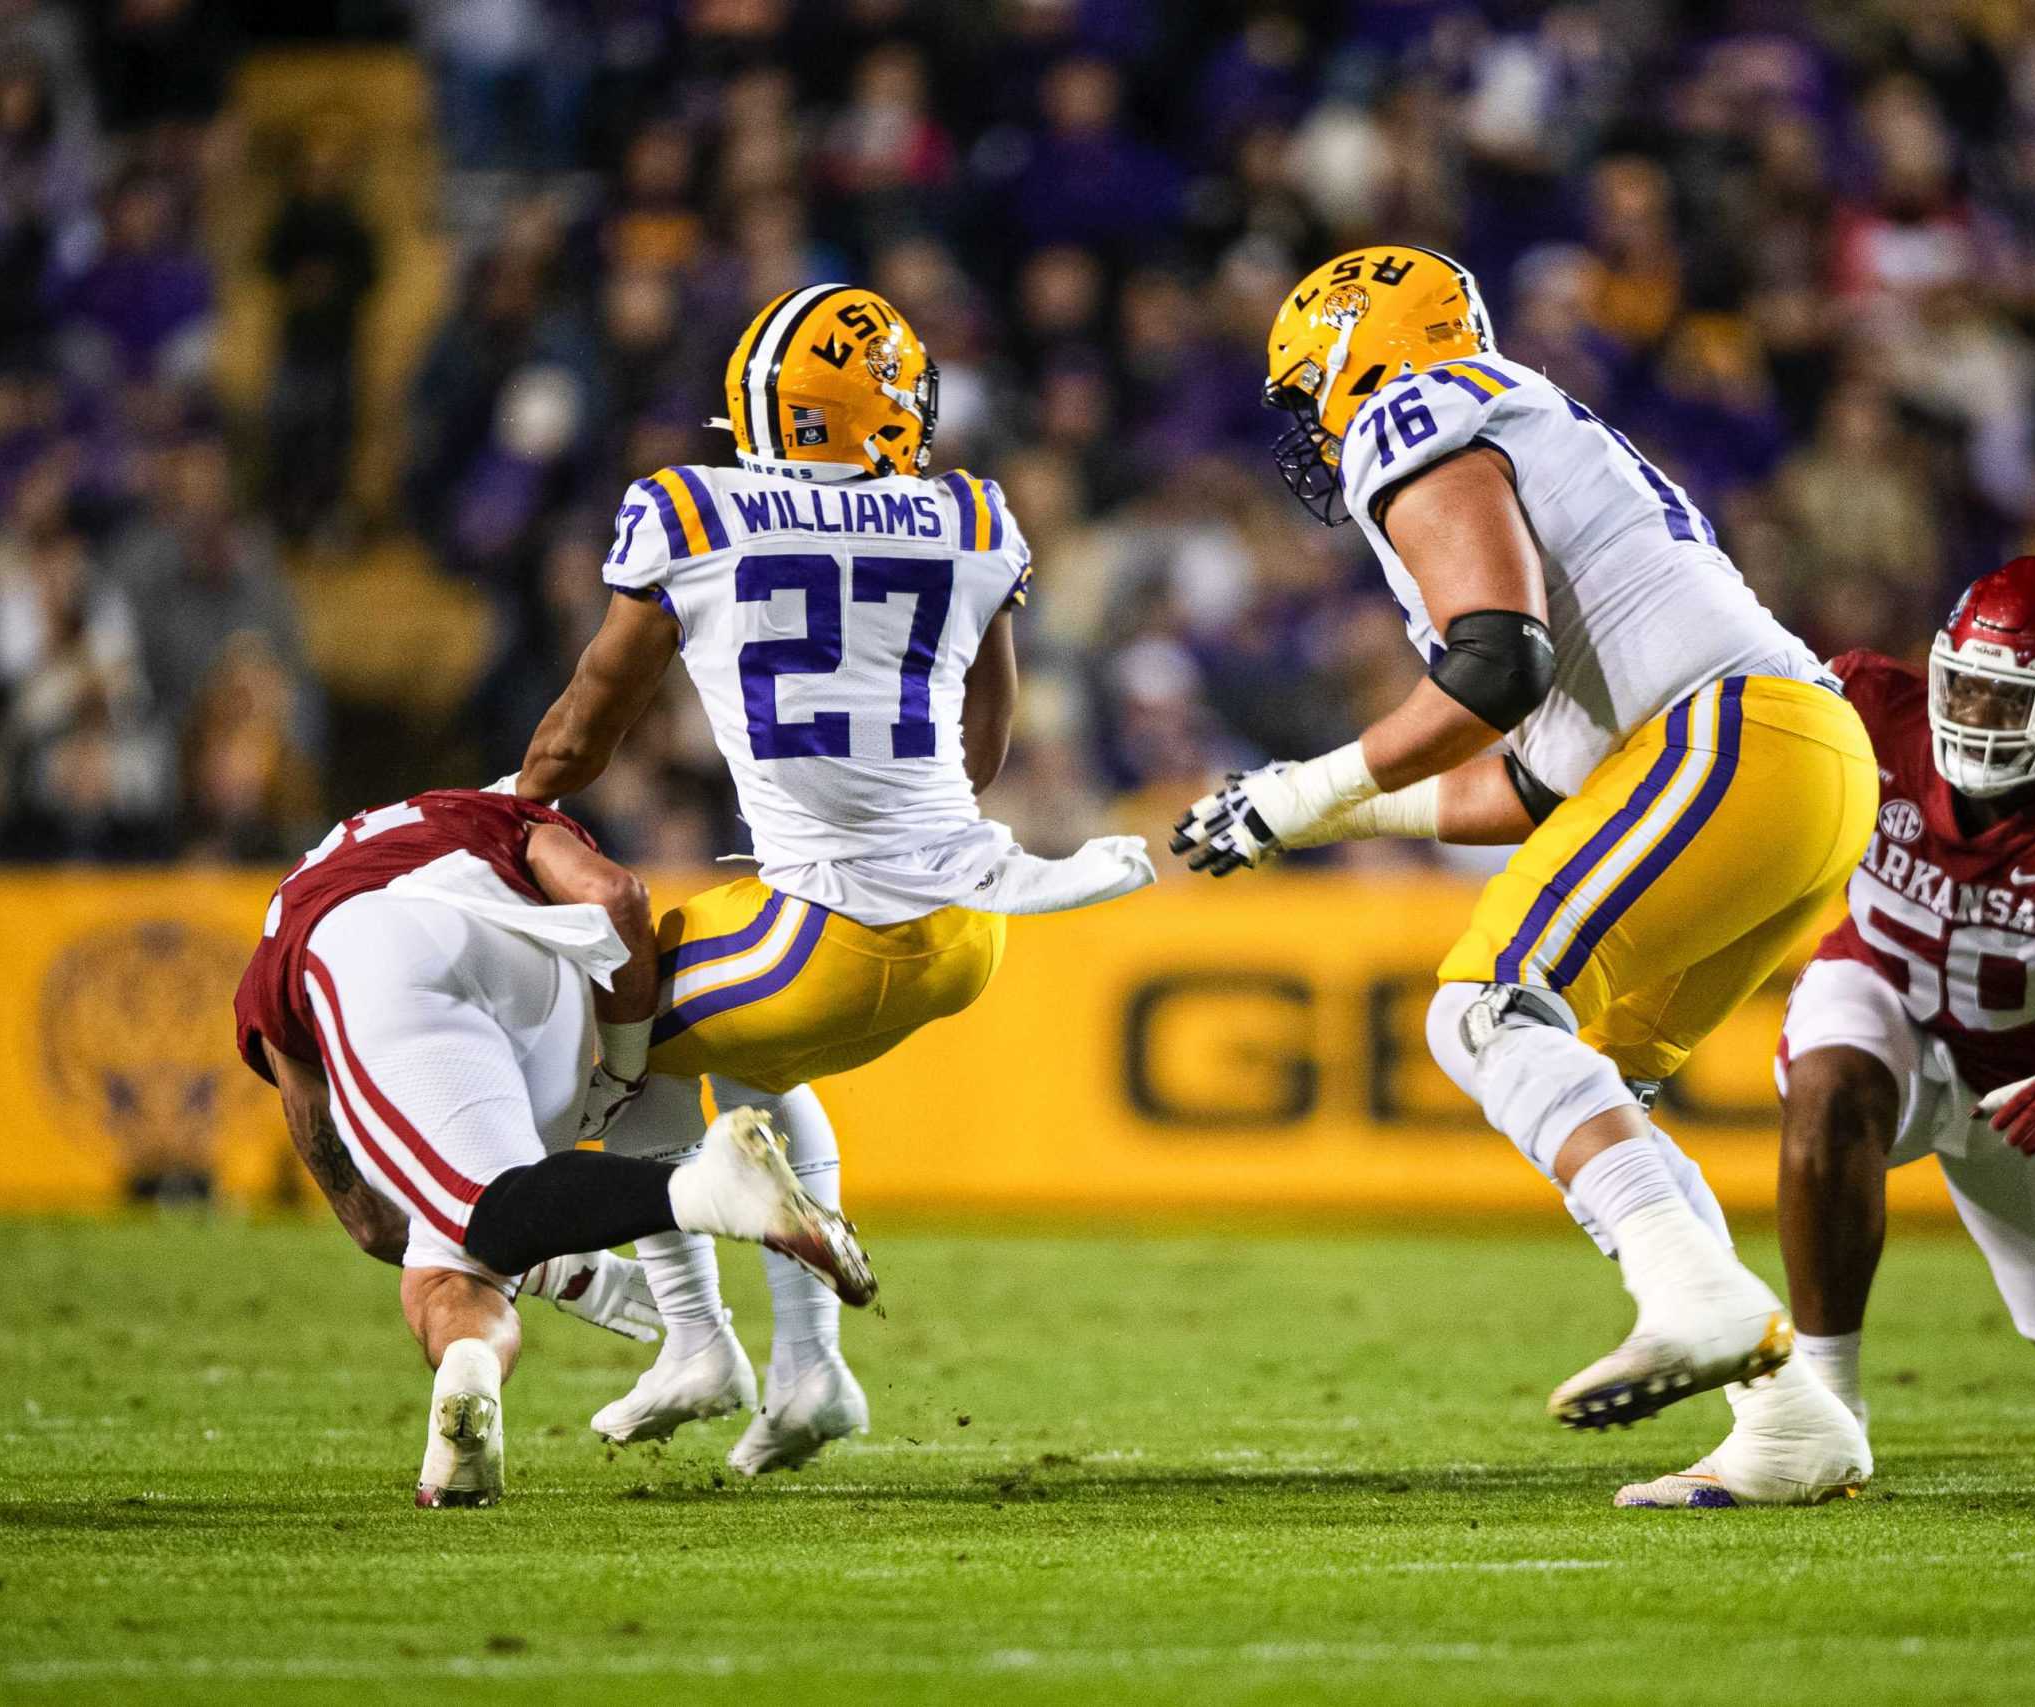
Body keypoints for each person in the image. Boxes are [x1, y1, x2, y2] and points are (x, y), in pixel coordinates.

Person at [1173, 246, 1873, 1486]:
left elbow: (1495, 665)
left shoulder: (1417, 406)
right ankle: (1789, 1420)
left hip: (1729, 737)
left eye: (1306, 391)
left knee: (1484, 1007)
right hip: (1789, 764)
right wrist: (1322, 820)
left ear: (1354, 358)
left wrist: (1303, 784)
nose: (1310, 427)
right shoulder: (1530, 433)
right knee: (1590, 1081)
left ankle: (1698, 1302)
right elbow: (1533, 784)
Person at [513, 285, 1153, 1473]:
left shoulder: (690, 510)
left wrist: (507, 815)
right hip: (962, 914)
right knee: (737, 1063)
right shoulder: (968, 515)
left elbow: (585, 726)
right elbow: (985, 734)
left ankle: (700, 1343)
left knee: (610, 1022)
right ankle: (808, 1375)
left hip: (829, 930)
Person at [1622, 559, 2035, 1508]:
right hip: (1880, 995)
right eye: (1964, 682)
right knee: (1833, 1075)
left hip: (2029, 1083)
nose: (1975, 711)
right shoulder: (1865, 705)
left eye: (2012, 698)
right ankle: (1821, 1412)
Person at [232, 786, 875, 1507]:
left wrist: (568, 1273)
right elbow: (618, 897)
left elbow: (369, 1217)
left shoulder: (297, 906)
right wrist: (627, 1068)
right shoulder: (506, 813)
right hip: (541, 964)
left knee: (470, 1222)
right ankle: (469, 1377)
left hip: (374, 944)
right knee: (467, 1246)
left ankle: (708, 1192)